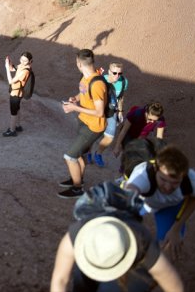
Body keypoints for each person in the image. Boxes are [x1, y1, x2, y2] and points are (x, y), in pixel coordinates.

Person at [51, 212, 184, 292]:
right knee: (82, 286)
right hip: (96, 252)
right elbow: (60, 280)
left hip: (130, 265)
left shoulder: (142, 243)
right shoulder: (76, 234)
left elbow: (174, 286)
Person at [125, 145, 195, 262]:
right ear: (156, 169)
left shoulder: (192, 180)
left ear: (184, 176)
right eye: (163, 179)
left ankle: (156, 273)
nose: (167, 187)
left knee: (171, 245)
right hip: (142, 202)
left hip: (169, 206)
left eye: (174, 183)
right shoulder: (142, 176)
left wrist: (176, 228)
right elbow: (128, 193)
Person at [59, 49, 107, 198]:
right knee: (81, 154)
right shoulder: (86, 78)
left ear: (79, 63)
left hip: (94, 126)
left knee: (70, 157)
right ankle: (77, 178)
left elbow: (99, 112)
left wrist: (74, 108)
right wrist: (75, 98)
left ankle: (77, 188)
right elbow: (83, 92)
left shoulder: (97, 84)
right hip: (84, 121)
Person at [89, 63, 129, 168]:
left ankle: (98, 153)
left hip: (112, 112)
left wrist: (120, 111)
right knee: (93, 134)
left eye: (120, 73)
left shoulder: (124, 82)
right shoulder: (101, 80)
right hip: (99, 110)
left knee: (110, 137)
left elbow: (121, 97)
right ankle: (87, 151)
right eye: (114, 73)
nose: (117, 75)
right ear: (109, 71)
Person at [3, 52, 33, 137]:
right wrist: (9, 63)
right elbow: (13, 69)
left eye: (25, 61)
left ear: (30, 61)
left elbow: (10, 81)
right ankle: (18, 126)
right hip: (17, 92)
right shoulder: (22, 66)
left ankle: (12, 130)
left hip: (16, 94)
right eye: (21, 59)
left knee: (13, 112)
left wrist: (6, 68)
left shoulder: (25, 71)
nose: (22, 62)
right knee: (17, 109)